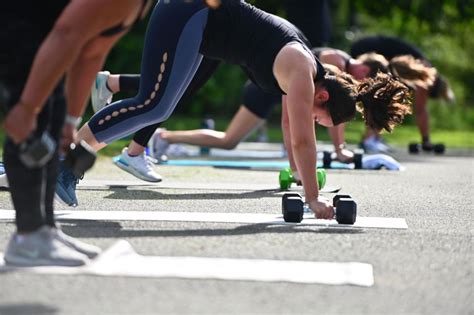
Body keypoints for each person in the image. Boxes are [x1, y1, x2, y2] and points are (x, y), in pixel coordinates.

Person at [60, 0, 412, 220]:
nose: (317, 124)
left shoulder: (304, 71)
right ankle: (67, 159)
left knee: (160, 104)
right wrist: (313, 198)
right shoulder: (303, 72)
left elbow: (294, 133)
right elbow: (304, 141)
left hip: (198, 27)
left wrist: (301, 177)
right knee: (153, 103)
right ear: (322, 98)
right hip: (191, 11)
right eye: (323, 120)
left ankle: (71, 154)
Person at [0, 0, 152, 266]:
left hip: (46, 34)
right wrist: (25, 108)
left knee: (53, 120)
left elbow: (91, 52)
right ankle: (28, 237)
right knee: (36, 119)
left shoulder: (141, 4)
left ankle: (43, 231)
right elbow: (67, 34)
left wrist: (70, 121)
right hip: (18, 23)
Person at [88, 47, 370, 185]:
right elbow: (292, 126)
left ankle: (115, 88)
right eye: (319, 120)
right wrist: (301, 175)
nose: (314, 124)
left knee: (175, 90)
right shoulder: (315, 70)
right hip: (254, 72)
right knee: (173, 94)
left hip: (247, 56)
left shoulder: (318, 71)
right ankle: (133, 147)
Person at [350, 35, 455, 152]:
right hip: (368, 49)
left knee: (382, 95)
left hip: (365, 45)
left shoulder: (423, 66)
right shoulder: (426, 75)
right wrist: (426, 140)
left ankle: (371, 138)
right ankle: (370, 139)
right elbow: (420, 110)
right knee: (381, 96)